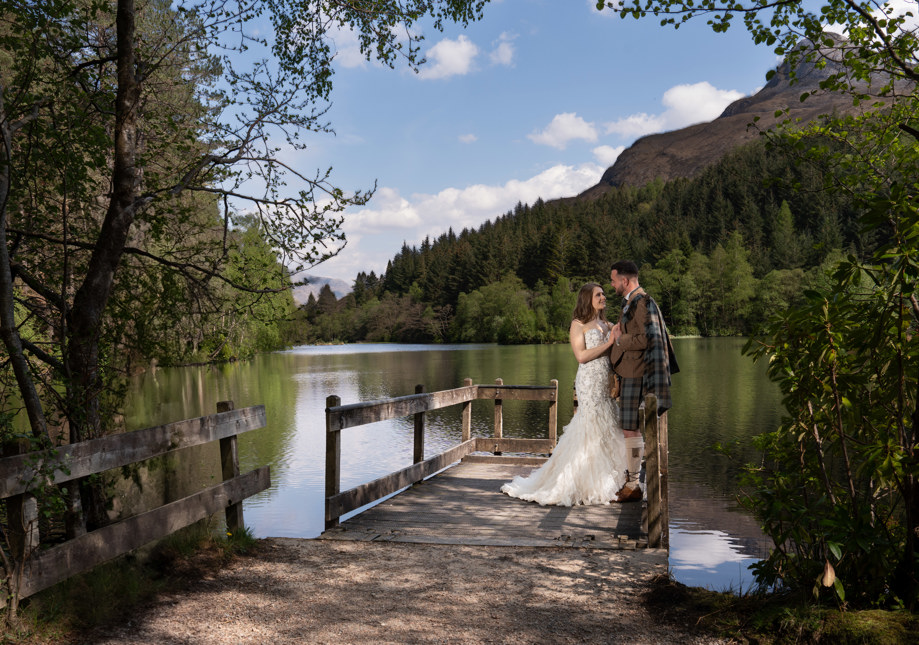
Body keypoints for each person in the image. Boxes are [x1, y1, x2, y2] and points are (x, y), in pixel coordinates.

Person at [501, 283, 630, 505]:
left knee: (608, 424)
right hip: (589, 381)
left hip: (604, 382)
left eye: (604, 293)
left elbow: (618, 348)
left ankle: (613, 479)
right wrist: (609, 342)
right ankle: (577, 480)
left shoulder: (607, 324)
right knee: (589, 424)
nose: (603, 297)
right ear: (587, 299)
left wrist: (618, 336)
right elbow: (581, 356)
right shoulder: (578, 325)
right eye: (598, 294)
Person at [608, 260, 679, 502]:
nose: (612, 284)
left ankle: (633, 484)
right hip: (631, 373)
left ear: (625, 281)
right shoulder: (634, 301)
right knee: (630, 428)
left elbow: (646, 339)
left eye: (614, 280)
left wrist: (620, 338)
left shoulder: (642, 302)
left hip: (637, 374)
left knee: (630, 429)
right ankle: (632, 482)